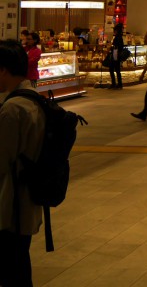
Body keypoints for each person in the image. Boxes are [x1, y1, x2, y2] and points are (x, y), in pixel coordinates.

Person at [0, 39, 46, 287]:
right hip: (27, 200)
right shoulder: (33, 100)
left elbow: (1, 160)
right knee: (19, 263)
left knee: (11, 268)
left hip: (10, 204)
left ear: (3, 69)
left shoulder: (12, 109)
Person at [108, 23, 126, 89]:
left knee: (112, 69)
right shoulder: (120, 37)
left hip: (115, 55)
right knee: (117, 70)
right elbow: (121, 46)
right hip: (117, 55)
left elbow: (116, 47)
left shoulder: (117, 38)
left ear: (116, 30)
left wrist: (111, 47)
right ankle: (119, 84)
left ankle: (114, 84)